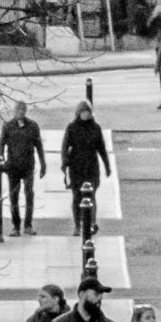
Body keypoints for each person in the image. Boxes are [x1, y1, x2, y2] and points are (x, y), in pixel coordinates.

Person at [60, 100, 111, 234]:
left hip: (91, 167)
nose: (85, 115)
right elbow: (65, 146)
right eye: (83, 113)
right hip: (76, 167)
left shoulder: (95, 128)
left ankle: (92, 223)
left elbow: (101, 148)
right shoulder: (72, 127)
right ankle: (77, 225)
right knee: (77, 197)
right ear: (78, 113)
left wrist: (107, 165)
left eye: (87, 112)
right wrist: (64, 163)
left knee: (91, 196)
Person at [0, 101, 47, 235]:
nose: (20, 112)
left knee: (29, 194)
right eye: (18, 110)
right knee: (14, 196)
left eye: (23, 110)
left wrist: (43, 163)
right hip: (13, 166)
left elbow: (39, 145)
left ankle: (28, 225)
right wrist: (1, 160)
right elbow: (1, 144)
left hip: (28, 165)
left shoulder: (32, 126)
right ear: (14, 111)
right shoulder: (8, 126)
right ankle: (16, 226)